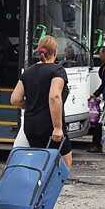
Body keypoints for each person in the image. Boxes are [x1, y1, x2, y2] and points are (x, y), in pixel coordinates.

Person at [10, 35, 73, 168]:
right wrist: (57, 127)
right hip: (49, 126)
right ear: (55, 52)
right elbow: (54, 97)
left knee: (39, 164)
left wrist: (31, 104)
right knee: (64, 165)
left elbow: (15, 99)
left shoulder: (28, 72)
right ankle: (47, 189)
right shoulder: (57, 71)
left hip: (30, 125)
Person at [89, 44, 105, 153]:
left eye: (100, 53)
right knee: (100, 121)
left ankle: (97, 144)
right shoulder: (104, 65)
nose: (99, 55)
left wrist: (96, 93)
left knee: (101, 121)